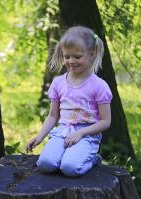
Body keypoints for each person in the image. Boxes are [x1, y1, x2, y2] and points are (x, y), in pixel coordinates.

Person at [25, 26, 112, 177]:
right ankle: (67, 156)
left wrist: (81, 133)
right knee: (45, 164)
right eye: (67, 56)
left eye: (77, 57)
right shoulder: (58, 83)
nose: (71, 61)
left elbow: (105, 121)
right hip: (62, 132)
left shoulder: (99, 86)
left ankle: (91, 159)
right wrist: (40, 137)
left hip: (86, 135)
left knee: (70, 168)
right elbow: (53, 116)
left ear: (91, 54)